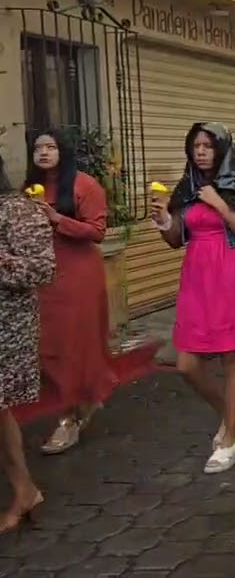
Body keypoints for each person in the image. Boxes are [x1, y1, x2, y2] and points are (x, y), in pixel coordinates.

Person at [151, 122, 235, 474]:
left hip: (233, 274)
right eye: (195, 146)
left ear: (222, 149)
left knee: (232, 358)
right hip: (197, 278)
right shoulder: (188, 187)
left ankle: (230, 439)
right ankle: (230, 413)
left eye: (207, 146)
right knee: (186, 364)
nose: (201, 152)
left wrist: (221, 206)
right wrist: (164, 220)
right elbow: (176, 239)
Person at [22, 129, 120, 454]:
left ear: (62, 151)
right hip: (42, 276)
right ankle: (82, 400)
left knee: (72, 346)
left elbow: (97, 231)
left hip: (78, 276)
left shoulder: (85, 185)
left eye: (50, 147)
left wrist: (56, 219)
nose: (44, 153)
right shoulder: (28, 189)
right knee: (46, 347)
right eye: (38, 148)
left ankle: (69, 418)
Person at [0, 155, 55, 533]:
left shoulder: (18, 210)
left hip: (8, 326)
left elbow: (42, 268)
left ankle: (24, 489)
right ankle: (24, 490)